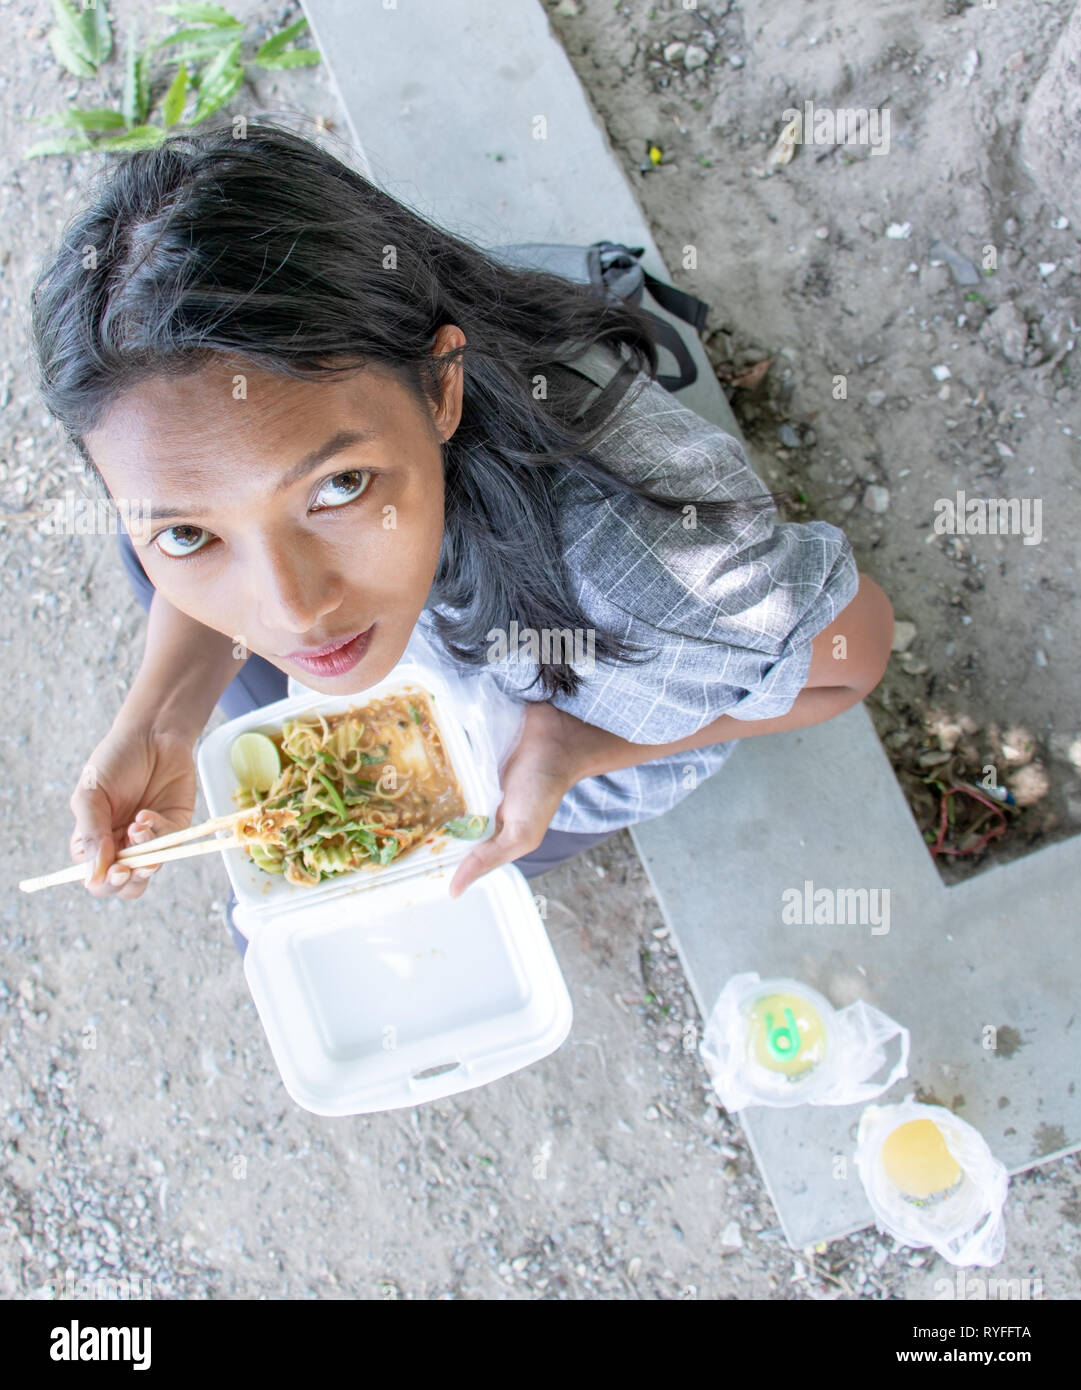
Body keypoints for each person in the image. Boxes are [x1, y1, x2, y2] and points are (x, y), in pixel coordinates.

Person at [30, 120, 893, 953]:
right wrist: (163, 719)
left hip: (550, 761)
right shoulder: (195, 459)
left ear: (441, 387)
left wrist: (580, 749)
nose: (292, 613)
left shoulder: (656, 583)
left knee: (392, 901)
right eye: (189, 533)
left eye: (339, 486)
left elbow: (852, 658)